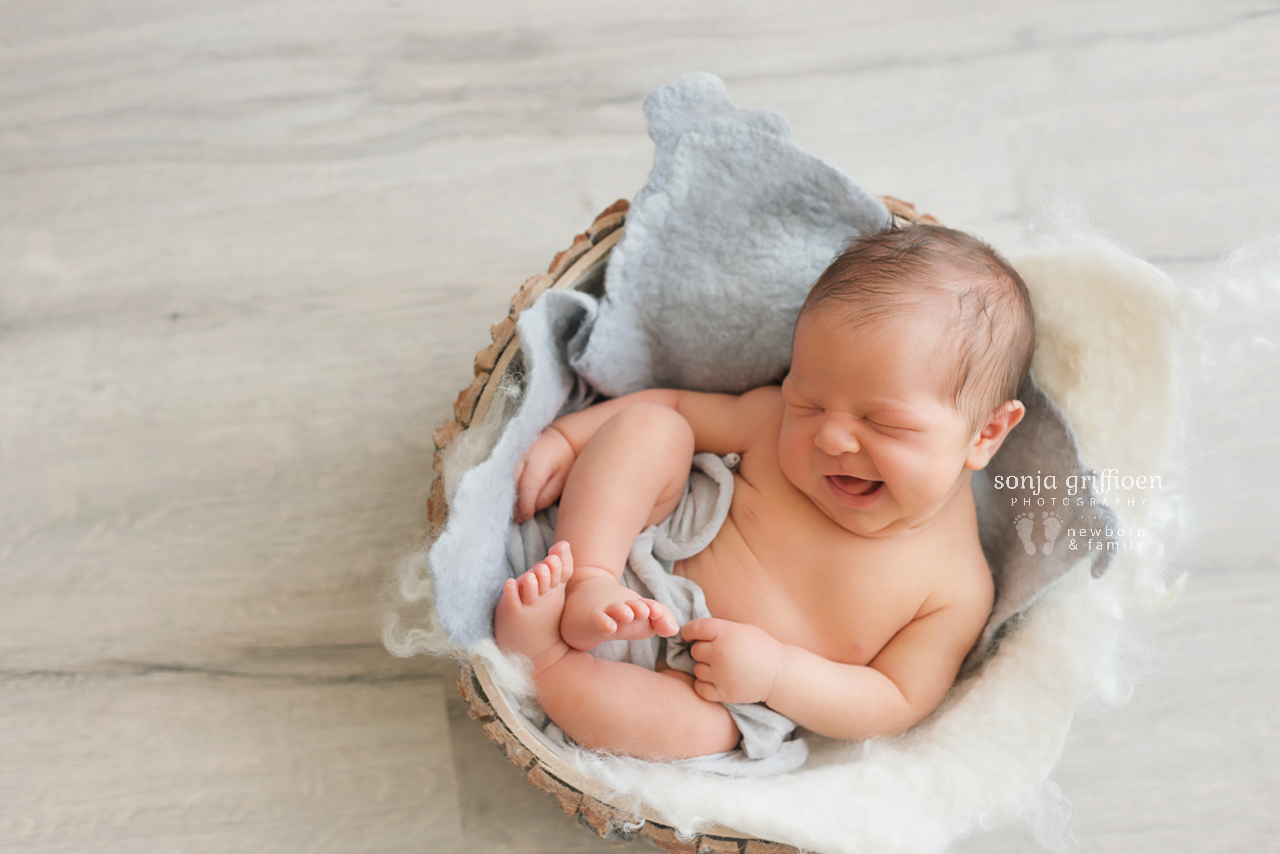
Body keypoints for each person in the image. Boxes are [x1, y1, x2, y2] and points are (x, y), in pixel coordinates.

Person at [493, 223, 1034, 760]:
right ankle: (584, 581)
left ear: (985, 433)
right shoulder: (773, 423)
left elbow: (895, 700)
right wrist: (568, 439)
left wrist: (777, 673)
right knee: (653, 430)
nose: (831, 436)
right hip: (633, 546)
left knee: (700, 731)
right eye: (808, 403)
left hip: (709, 687)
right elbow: (675, 406)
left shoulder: (956, 588)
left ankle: (546, 662)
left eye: (882, 423)